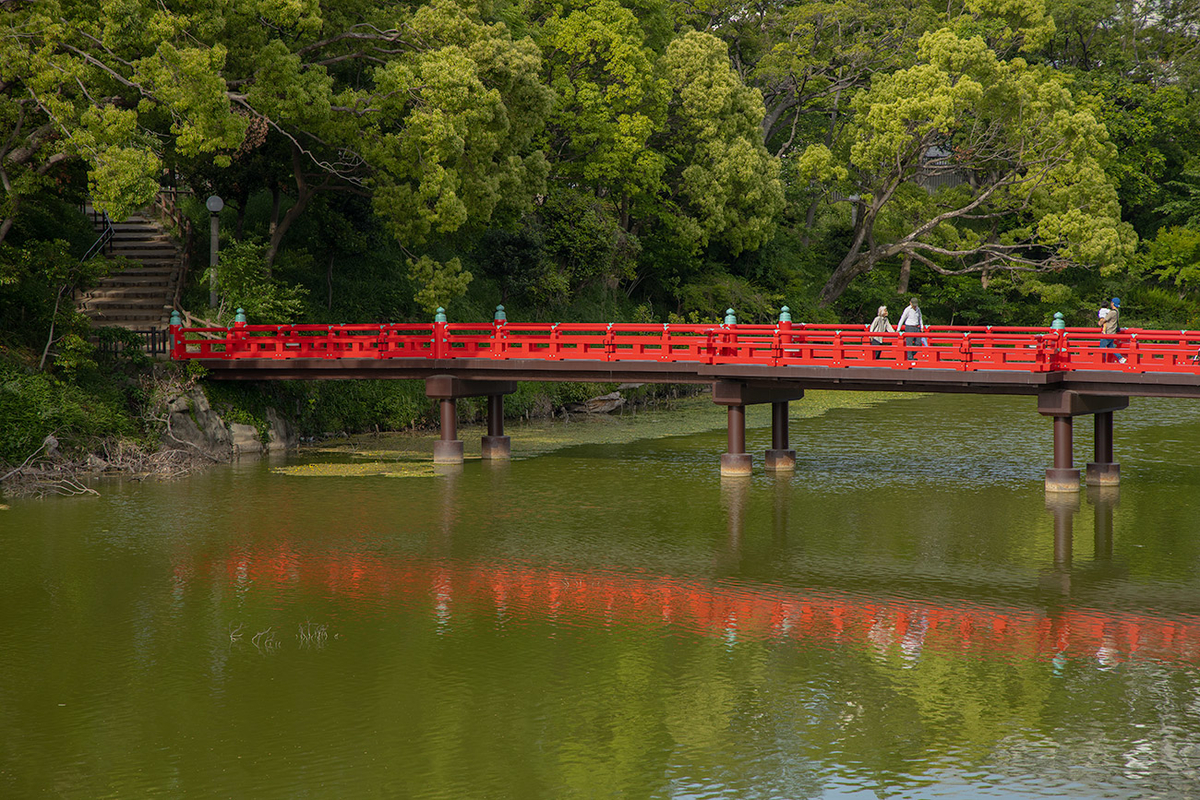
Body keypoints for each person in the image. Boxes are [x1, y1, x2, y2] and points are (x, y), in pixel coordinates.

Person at [1099, 297, 1126, 364]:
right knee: (1110, 347)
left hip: (1108, 332)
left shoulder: (1112, 312)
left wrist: (1100, 322)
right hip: (1113, 332)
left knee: (1102, 347)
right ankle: (1121, 358)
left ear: (1113, 303)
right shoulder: (1117, 312)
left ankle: (1102, 361)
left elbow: (1104, 319)